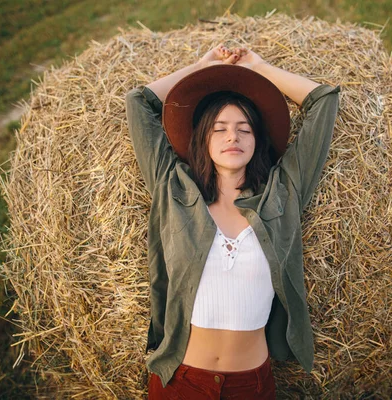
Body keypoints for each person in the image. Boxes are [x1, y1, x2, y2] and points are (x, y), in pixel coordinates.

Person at [125, 43, 340, 399]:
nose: (232, 137)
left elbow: (324, 100)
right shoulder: (172, 188)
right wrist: (199, 69)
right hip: (180, 382)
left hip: (251, 386)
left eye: (244, 129)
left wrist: (258, 68)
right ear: (203, 138)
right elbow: (138, 103)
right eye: (219, 128)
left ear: (258, 139)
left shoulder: (282, 194)